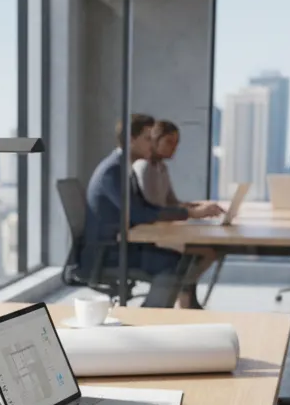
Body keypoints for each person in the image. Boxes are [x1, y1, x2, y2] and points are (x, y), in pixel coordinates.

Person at [81, 114, 221, 308]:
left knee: (179, 261)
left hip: (123, 245)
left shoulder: (123, 168)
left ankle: (159, 312)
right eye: (148, 138)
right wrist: (191, 214)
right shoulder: (113, 172)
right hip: (109, 253)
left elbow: (146, 208)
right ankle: (149, 318)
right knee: (173, 264)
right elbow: (140, 214)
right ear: (131, 140)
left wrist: (189, 211)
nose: (152, 143)